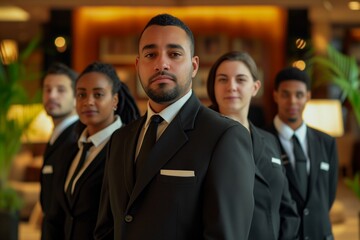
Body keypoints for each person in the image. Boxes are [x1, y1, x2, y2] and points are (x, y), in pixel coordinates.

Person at [95, 13, 255, 240]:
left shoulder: (224, 136)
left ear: (194, 65)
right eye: (151, 54)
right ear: (138, 65)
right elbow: (106, 228)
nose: (161, 63)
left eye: (174, 54)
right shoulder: (120, 139)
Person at [206, 51, 300, 240]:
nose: (231, 87)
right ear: (213, 87)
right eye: (222, 80)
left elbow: (287, 207)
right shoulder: (200, 139)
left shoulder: (270, 140)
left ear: (255, 87)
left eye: (240, 80)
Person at [44, 62, 140, 240]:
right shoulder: (70, 150)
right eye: (81, 94)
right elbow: (56, 216)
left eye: (98, 94)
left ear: (115, 100)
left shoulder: (130, 148)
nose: (88, 101)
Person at [268, 66, 338, 240]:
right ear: (275, 95)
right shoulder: (261, 140)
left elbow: (328, 195)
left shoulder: (327, 142)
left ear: (308, 96)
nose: (292, 101)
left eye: (299, 95)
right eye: (285, 94)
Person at [40, 62, 84, 239]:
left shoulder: (75, 139)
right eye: (47, 89)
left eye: (60, 90)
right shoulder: (57, 136)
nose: (52, 95)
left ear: (76, 97)